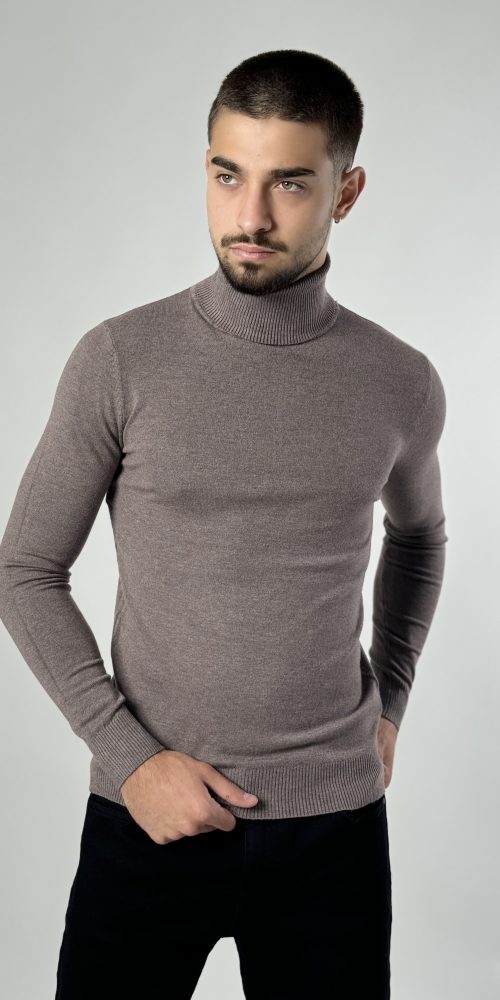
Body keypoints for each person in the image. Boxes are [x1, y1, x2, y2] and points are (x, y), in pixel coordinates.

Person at [0, 48, 448, 999]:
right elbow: (25, 569)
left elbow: (419, 539)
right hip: (149, 815)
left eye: (290, 183)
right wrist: (131, 762)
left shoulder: (400, 381)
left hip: (333, 834)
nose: (249, 217)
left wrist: (393, 702)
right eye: (227, 175)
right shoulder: (121, 359)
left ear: (347, 192)